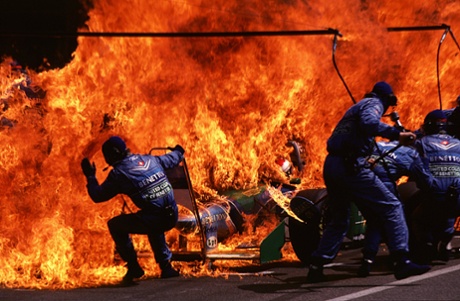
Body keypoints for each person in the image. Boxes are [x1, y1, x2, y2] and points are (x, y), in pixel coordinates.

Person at [307, 81, 431, 283]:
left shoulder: (354, 109)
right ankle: (402, 262)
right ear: (388, 99)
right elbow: (370, 124)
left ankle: (316, 265)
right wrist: (397, 135)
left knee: (339, 219)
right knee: (391, 206)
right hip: (350, 166)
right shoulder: (373, 105)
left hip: (332, 165)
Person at [80, 136, 185, 285]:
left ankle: (134, 267)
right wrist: (178, 150)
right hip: (172, 214)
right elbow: (175, 157)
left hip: (158, 219)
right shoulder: (149, 159)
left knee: (115, 225)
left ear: (114, 154)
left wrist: (90, 176)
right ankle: (166, 267)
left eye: (107, 156)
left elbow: (97, 196)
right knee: (152, 212)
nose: (107, 160)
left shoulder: (119, 174)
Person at [357, 140, 437, 277]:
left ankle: (367, 261)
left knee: (375, 222)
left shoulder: (380, 144)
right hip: (383, 186)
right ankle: (401, 260)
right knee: (398, 219)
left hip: (361, 183)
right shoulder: (411, 154)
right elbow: (425, 181)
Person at [411, 110, 460, 264]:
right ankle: (444, 245)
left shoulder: (421, 144)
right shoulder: (458, 143)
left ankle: (427, 244)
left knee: (417, 218)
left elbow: (413, 165)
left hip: (434, 195)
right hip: (457, 196)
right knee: (449, 214)